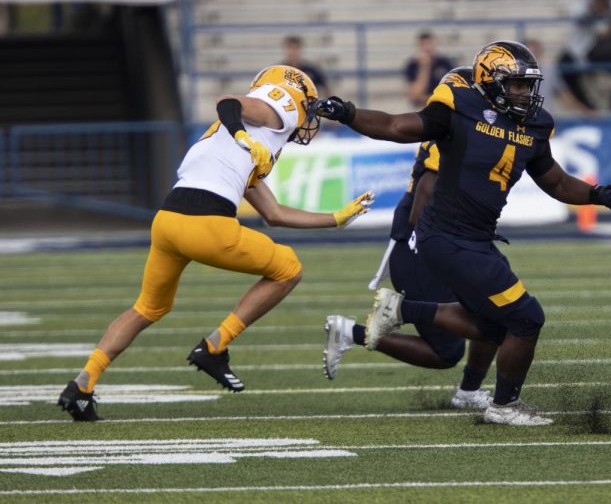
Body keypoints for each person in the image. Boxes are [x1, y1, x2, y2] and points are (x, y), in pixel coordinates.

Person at [311, 40, 611, 426]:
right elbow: (396, 126)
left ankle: (405, 315)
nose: (524, 93)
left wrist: (599, 194)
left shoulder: (534, 125)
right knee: (526, 318)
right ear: (491, 81)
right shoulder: (460, 107)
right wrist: (348, 113)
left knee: (493, 325)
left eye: (527, 85)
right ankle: (503, 406)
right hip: (449, 237)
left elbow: (555, 181)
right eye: (515, 84)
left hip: (475, 239)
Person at [57, 65, 374, 421]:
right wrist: (243, 135)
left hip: (168, 221)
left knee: (147, 308)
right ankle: (214, 346)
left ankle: (82, 386)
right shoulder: (278, 109)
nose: (308, 120)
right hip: (206, 222)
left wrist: (336, 218)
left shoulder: (250, 142)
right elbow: (228, 103)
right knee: (289, 268)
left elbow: (274, 214)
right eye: (308, 106)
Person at [323, 67, 498, 409]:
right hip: (424, 243)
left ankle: (467, 391)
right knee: (449, 349)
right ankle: (364, 327)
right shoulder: (454, 126)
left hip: (448, 236)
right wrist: (437, 245)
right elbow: (427, 188)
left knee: (498, 310)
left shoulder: (472, 126)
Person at [404, 31, 455, 107]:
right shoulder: (412, 65)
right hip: (422, 108)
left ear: (434, 44)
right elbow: (416, 96)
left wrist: (428, 98)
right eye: (423, 44)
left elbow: (452, 92)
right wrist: (424, 68)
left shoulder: (445, 63)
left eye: (429, 44)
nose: (427, 48)